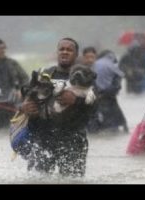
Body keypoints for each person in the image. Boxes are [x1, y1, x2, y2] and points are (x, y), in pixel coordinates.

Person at [20, 38, 95, 177]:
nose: (65, 52)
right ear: (57, 52)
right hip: (42, 138)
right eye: (62, 49)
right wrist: (24, 106)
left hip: (73, 140)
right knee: (36, 179)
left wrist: (76, 100)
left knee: (72, 180)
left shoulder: (86, 76)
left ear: (76, 54)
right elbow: (25, 93)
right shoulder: (43, 74)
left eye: (69, 50)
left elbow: (97, 105)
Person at [89, 50, 128, 133]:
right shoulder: (111, 65)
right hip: (108, 94)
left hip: (99, 94)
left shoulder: (94, 64)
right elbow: (122, 75)